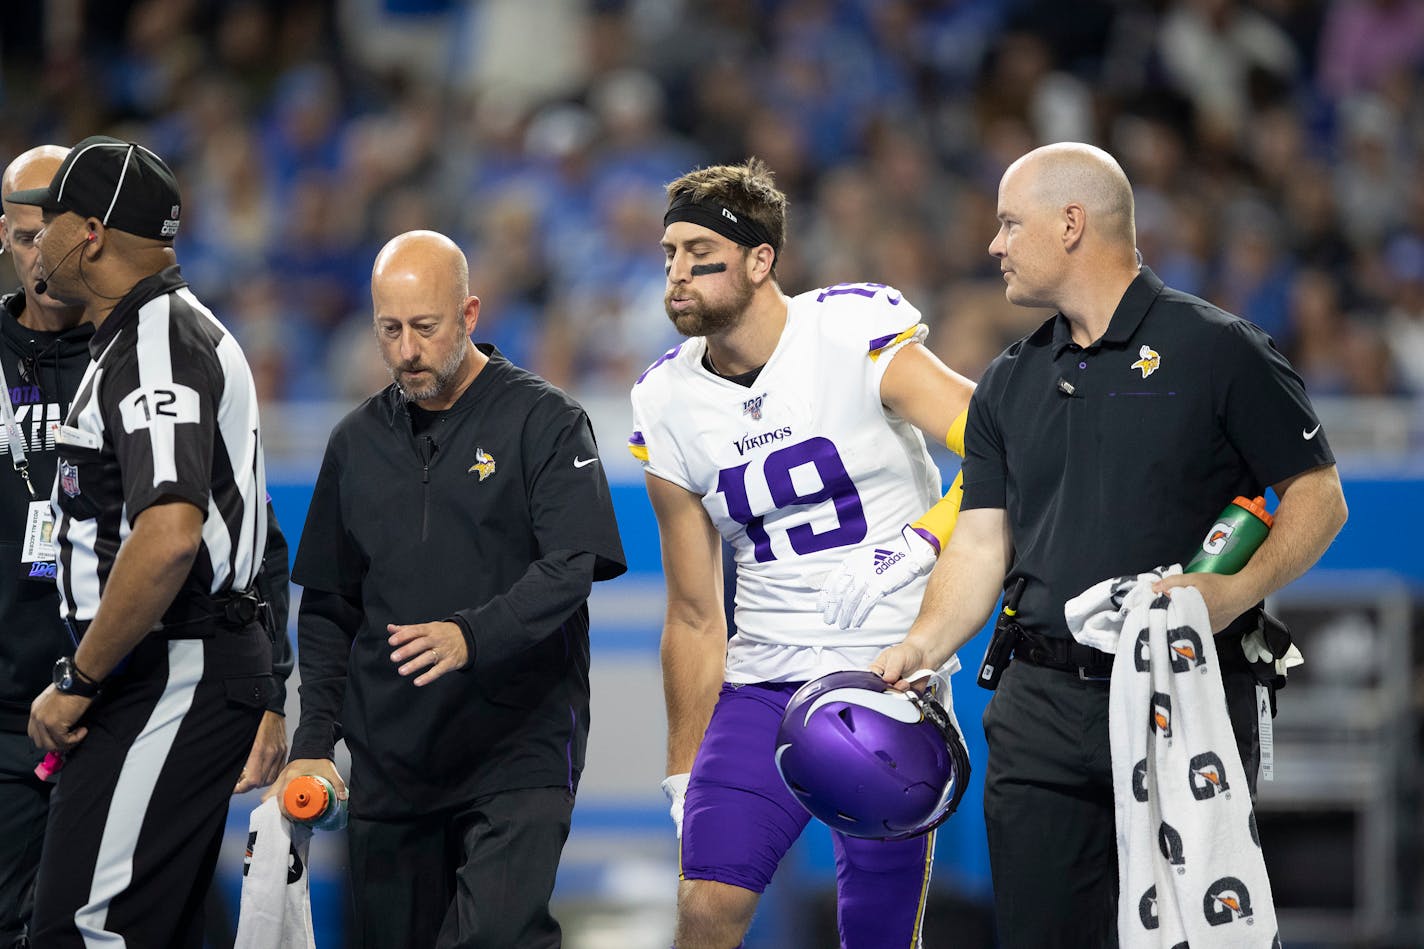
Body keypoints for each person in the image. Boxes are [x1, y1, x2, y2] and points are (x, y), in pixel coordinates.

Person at [874, 142, 1348, 947]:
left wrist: (1231, 593)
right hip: (1038, 710)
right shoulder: (1006, 381)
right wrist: (920, 642)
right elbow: (981, 544)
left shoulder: (1219, 349)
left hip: (1181, 695)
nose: (993, 244)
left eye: (1008, 223)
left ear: (1070, 224)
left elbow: (1318, 496)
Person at [629, 158, 976, 949]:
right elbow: (692, 609)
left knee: (879, 932)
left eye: (700, 255)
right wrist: (684, 767)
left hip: (891, 670)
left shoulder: (850, 331)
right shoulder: (666, 398)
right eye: (669, 253)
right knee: (707, 908)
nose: (677, 273)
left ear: (760, 260)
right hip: (764, 678)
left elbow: (1002, 444)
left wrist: (915, 546)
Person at [266, 230, 626, 948]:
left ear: (469, 314)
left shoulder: (545, 421)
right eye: (389, 329)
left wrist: (471, 634)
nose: (406, 350)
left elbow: (571, 565)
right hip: (392, 764)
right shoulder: (353, 443)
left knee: (494, 936)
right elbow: (332, 607)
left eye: (425, 327)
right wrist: (313, 742)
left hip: (516, 748)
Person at [0, 144, 296, 949]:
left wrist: (80, 675)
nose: (37, 243)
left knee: (85, 930)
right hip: (169, 668)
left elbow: (169, 534)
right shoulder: (147, 331)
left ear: (89, 233)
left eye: (50, 220)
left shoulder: (157, 344)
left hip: (172, 666)